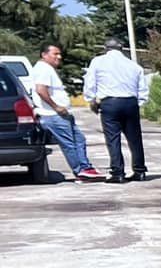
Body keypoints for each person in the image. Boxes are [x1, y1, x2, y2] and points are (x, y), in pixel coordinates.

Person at [28, 44, 105, 181]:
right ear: (44, 55)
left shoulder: (47, 69)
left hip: (61, 114)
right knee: (69, 144)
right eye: (55, 54)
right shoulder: (43, 69)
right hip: (53, 115)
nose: (59, 57)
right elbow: (41, 90)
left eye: (59, 54)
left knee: (79, 139)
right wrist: (56, 107)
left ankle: (85, 167)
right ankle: (80, 170)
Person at [83, 38, 151, 181]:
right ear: (121, 49)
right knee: (135, 139)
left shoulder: (98, 62)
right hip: (130, 102)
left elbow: (90, 83)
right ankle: (139, 171)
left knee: (113, 139)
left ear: (105, 48)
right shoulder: (133, 65)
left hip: (110, 102)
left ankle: (118, 172)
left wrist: (92, 100)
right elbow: (143, 89)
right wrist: (138, 103)